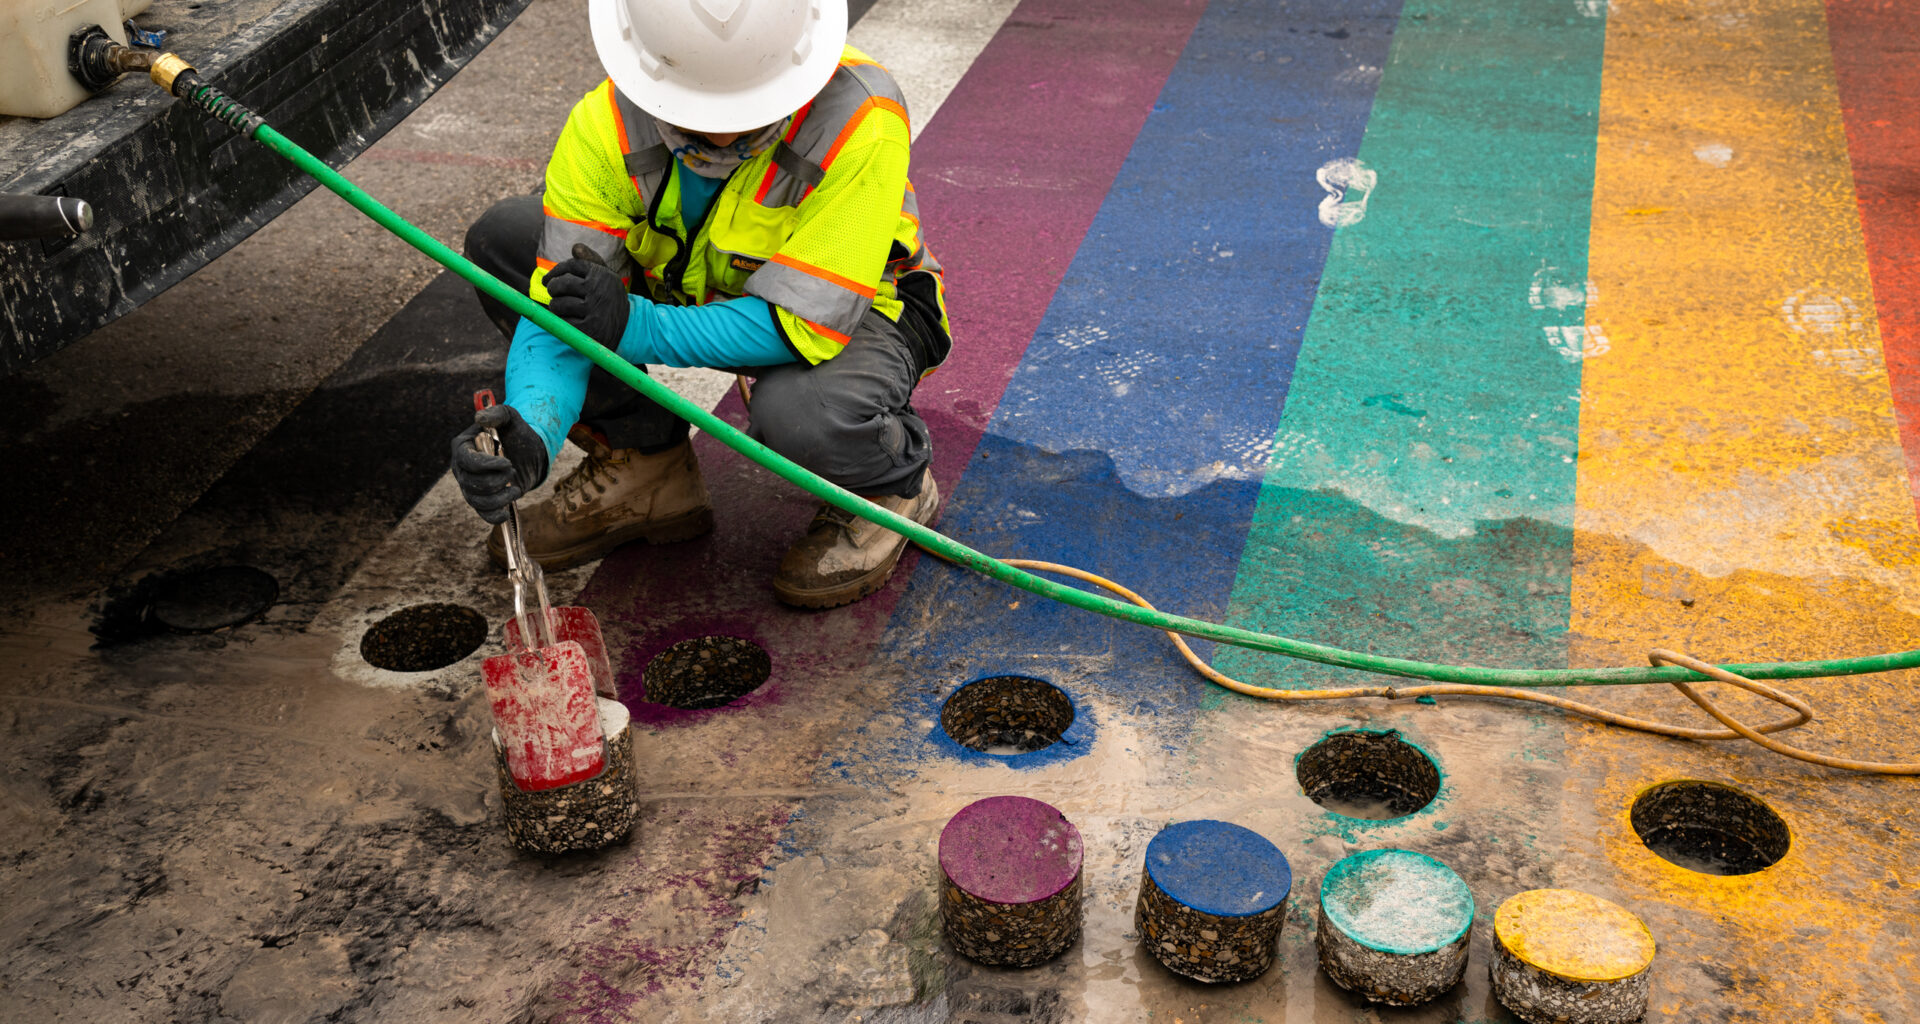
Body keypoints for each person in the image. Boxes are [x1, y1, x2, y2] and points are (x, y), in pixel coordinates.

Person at [448, 0, 951, 609]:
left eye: (749, 111)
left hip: (860, 309)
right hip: (695, 284)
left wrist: (632, 324)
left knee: (801, 411)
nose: (721, 134)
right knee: (507, 242)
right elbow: (558, 315)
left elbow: (804, 325)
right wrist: (532, 432)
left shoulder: (861, 117)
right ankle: (647, 464)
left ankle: (889, 485)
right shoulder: (605, 122)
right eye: (693, 113)